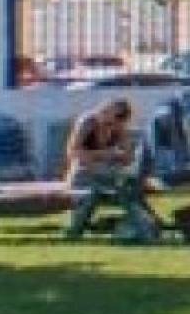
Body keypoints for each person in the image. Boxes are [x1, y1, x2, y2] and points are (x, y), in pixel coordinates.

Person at [65, 97, 160, 240]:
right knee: (118, 186)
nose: (114, 124)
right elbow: (73, 152)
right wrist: (105, 154)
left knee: (131, 186)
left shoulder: (118, 128)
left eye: (120, 120)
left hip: (107, 174)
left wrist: (121, 154)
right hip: (83, 176)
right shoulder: (88, 122)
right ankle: (148, 225)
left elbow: (127, 158)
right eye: (115, 117)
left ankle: (148, 226)